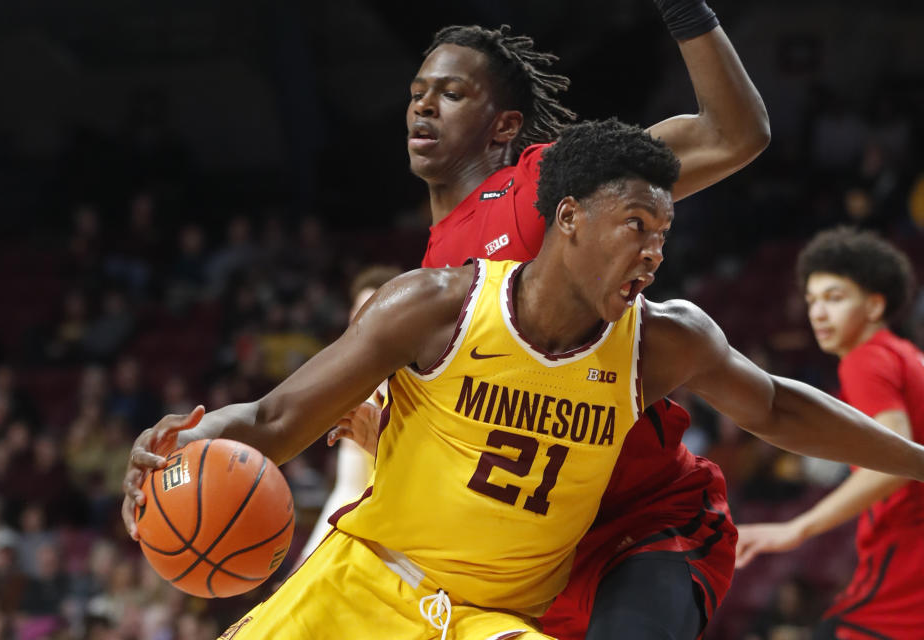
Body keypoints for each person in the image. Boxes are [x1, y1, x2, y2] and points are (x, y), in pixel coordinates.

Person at [122, 120, 924, 640]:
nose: (653, 250)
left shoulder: (662, 342)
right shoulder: (436, 308)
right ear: (568, 218)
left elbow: (779, 407)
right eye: (634, 226)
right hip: (362, 586)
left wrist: (920, 460)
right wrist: (181, 447)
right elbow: (271, 419)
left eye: (663, 232)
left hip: (490, 622)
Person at [339, 1, 769, 635]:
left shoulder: (538, 185)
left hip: (641, 518)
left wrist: (683, 10)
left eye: (451, 93)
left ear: (504, 124)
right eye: (417, 92)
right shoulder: (431, 267)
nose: (423, 106)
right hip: (534, 554)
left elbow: (733, 135)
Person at [735, 228, 924, 640]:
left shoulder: (866, 359)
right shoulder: (905, 355)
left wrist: (794, 529)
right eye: (812, 300)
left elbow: (898, 461)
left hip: (907, 561)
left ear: (874, 305)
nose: (818, 313)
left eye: (834, 298)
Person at [296, 265, 402, 564]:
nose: (364, 322)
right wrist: (307, 559)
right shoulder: (359, 389)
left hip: (420, 532)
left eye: (374, 311)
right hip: (372, 535)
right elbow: (350, 486)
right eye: (358, 312)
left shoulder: (425, 383)